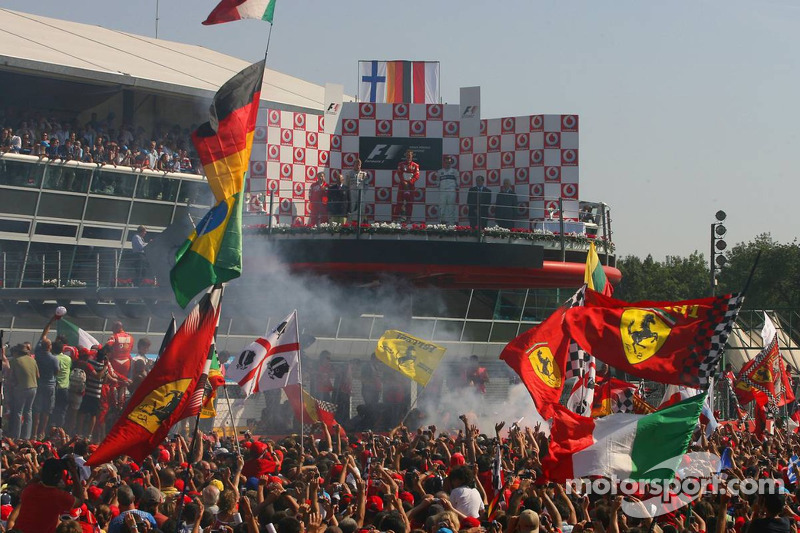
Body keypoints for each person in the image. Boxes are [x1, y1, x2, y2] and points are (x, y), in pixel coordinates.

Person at [6, 457, 84, 533]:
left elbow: (25, 488)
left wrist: (41, 473)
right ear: (58, 477)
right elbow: (79, 501)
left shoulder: (30, 489)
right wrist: (74, 473)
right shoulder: (58, 496)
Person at [32, 316, 60, 440]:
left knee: (37, 409)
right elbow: (56, 372)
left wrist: (50, 322)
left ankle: (34, 432)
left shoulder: (37, 352)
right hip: (49, 385)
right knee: (46, 410)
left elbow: (43, 335)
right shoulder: (54, 358)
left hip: (38, 383)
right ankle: (41, 432)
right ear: (50, 347)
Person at [9, 344, 38, 439]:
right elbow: (38, 375)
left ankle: (16, 437)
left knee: (18, 412)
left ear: (17, 352)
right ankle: (27, 437)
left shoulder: (15, 361)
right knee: (28, 411)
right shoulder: (32, 360)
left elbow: (11, 376)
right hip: (33, 388)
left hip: (22, 389)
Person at [396, 149, 420, 222]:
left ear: (412, 156)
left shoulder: (416, 165)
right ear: (405, 156)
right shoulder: (401, 164)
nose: (408, 156)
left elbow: (417, 175)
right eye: (407, 155)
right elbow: (399, 174)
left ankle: (408, 219)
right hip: (402, 186)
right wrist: (404, 182)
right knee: (399, 202)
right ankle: (398, 218)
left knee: (409, 203)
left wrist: (410, 182)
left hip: (411, 186)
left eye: (410, 155)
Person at [436, 156, 459, 225]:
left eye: (449, 163)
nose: (447, 164)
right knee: (441, 208)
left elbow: (458, 183)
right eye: (446, 163)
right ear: (444, 163)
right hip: (442, 191)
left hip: (451, 191)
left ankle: (451, 225)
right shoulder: (440, 172)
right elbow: (437, 183)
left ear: (451, 163)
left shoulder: (455, 171)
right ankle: (441, 225)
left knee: (451, 209)